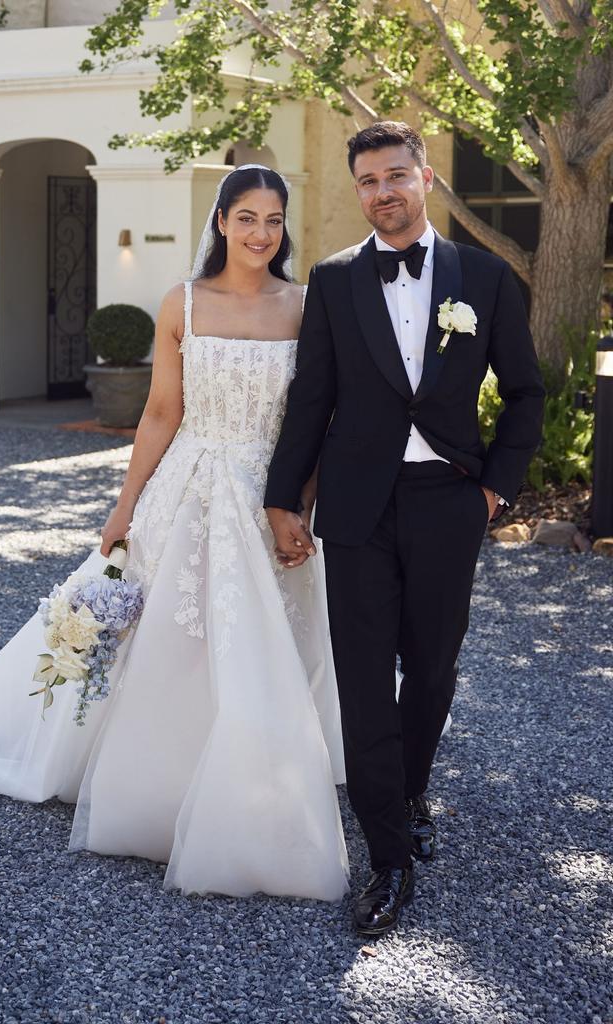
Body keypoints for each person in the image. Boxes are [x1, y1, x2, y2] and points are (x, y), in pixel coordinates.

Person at [0, 164, 349, 902]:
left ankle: (261, 775)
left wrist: (298, 500)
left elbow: (318, 417)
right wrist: (125, 506)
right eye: (246, 218)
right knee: (170, 639)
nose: (261, 234)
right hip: (189, 486)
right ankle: (158, 784)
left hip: (269, 497)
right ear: (220, 222)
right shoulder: (183, 302)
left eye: (274, 220)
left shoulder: (306, 306)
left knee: (266, 635)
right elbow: (159, 413)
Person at [265, 122, 545, 936]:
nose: (383, 192)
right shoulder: (333, 280)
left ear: (425, 177)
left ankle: (411, 785)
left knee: (431, 668)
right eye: (368, 181)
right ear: (357, 191)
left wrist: (495, 487)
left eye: (396, 176)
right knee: (361, 676)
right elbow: (310, 399)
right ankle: (386, 856)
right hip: (356, 505)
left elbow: (525, 393)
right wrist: (287, 500)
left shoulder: (485, 279)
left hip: (449, 500)